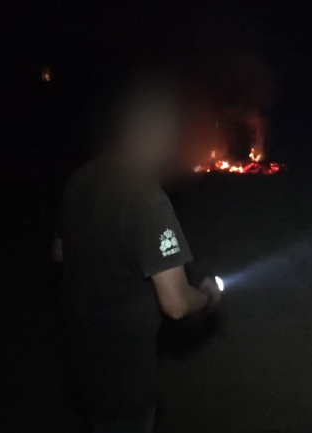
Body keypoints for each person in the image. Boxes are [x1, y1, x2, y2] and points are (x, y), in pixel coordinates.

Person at [52, 81, 221, 432]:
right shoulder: (148, 199)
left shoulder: (80, 180)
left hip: (80, 361)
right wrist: (207, 296)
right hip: (124, 374)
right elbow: (176, 304)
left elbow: (59, 252)